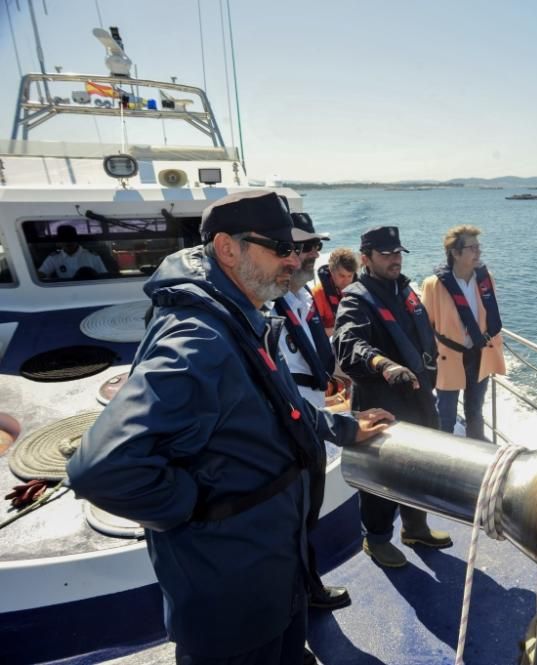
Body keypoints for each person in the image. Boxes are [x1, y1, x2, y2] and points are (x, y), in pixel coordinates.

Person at [67, 190, 393, 665]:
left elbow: (277, 409)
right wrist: (197, 507)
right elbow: (101, 469)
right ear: (227, 248)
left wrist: (343, 428)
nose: (294, 259)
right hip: (231, 594)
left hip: (275, 572)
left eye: (296, 248)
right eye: (280, 248)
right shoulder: (199, 339)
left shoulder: (241, 315)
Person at [333, 225, 452, 568]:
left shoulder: (404, 289)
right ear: (365, 259)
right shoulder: (356, 298)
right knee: (380, 476)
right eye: (386, 254)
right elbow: (347, 344)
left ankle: (415, 527)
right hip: (381, 403)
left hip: (418, 398)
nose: (394, 260)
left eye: (398, 253)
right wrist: (382, 363)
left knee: (419, 468)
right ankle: (377, 538)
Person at [271, 212, 352, 614]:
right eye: (303, 247)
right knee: (291, 520)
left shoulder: (299, 298)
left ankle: (306, 589)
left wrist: (339, 374)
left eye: (314, 246)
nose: (312, 254)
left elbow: (314, 353)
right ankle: (297, 602)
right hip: (294, 426)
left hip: (313, 417)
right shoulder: (266, 309)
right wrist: (344, 428)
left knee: (306, 516)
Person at [421, 225, 506, 441]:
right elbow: (424, 326)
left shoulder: (487, 279)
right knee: (446, 416)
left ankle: (477, 457)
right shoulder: (434, 285)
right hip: (449, 358)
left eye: (479, 246)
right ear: (455, 253)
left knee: (475, 412)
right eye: (472, 247)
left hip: (480, 354)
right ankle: (443, 460)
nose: (479, 252)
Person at [312, 247, 358, 337]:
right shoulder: (318, 294)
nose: (347, 281)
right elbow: (315, 331)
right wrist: (345, 330)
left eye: (350, 276)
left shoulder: (357, 290)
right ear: (331, 271)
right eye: (342, 276)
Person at [37, 225, 107, 279]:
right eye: (64, 240)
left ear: (77, 240)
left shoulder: (92, 256)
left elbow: (104, 276)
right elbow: (41, 274)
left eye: (71, 239)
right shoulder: (54, 258)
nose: (68, 243)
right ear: (60, 242)